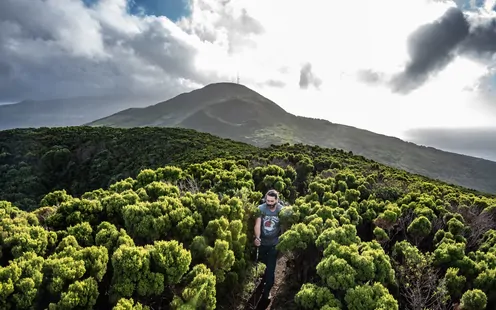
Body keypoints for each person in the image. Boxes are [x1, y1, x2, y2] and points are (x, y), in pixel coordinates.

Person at [254, 189, 284, 302]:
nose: (269, 203)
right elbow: (257, 224)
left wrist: (282, 241)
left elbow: (283, 227)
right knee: (264, 265)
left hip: (274, 244)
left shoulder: (281, 210)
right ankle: (263, 281)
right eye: (267, 200)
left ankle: (266, 292)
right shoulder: (261, 209)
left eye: (272, 201)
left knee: (271, 268)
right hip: (262, 243)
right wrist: (257, 238)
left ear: (277, 200)